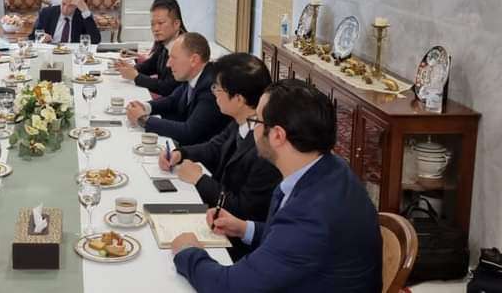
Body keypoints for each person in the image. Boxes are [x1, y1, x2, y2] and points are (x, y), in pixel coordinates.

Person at [170, 79, 382, 293]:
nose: (253, 129)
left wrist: (189, 251)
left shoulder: (311, 215)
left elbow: (228, 287)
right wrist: (245, 228)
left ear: (277, 135)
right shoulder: (329, 167)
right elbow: (290, 240)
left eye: (256, 121)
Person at [159, 52, 281, 258]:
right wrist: (181, 153)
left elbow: (243, 209)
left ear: (239, 99)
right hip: (217, 219)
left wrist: (199, 179)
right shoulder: (240, 121)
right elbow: (214, 147)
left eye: (218, 88)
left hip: (236, 242)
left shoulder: (265, 149)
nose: (214, 92)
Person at [125, 32, 230, 146]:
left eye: (173, 58)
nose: (168, 64)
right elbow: (172, 100)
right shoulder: (193, 74)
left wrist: (144, 120)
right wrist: (144, 107)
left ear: (194, 60)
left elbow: (189, 132)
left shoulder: (211, 87)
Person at [116, 0, 186, 96]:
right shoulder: (165, 41)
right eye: (153, 24)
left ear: (176, 24)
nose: (155, 29)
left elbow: (167, 88)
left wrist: (136, 77)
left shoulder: (185, 48)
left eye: (160, 23)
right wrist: (129, 69)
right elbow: (150, 66)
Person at [31, 0, 101, 44]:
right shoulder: (46, 12)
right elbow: (31, 37)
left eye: (71, 6)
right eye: (63, 3)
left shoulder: (83, 16)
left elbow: (95, 40)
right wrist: (41, 38)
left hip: (73, 52)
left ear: (77, 5)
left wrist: (85, 11)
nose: (65, 9)